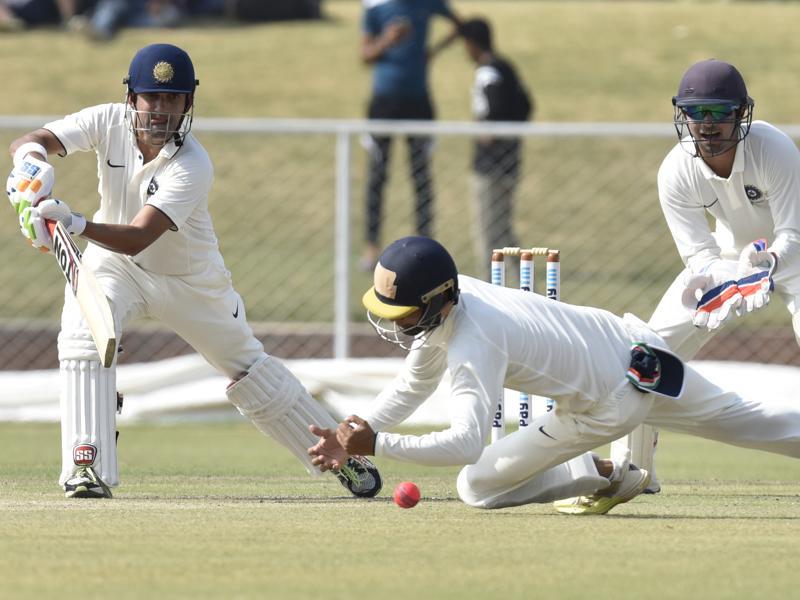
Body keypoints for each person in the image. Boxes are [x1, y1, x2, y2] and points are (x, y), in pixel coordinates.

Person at [6, 43, 381, 500]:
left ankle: (338, 453)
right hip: (115, 265)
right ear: (131, 98)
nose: (161, 111)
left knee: (249, 369)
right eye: (152, 99)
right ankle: (87, 465)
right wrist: (31, 164)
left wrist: (74, 223)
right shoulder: (106, 120)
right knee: (85, 334)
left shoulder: (193, 163)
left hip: (189, 280)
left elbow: (140, 235)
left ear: (188, 103)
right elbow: (31, 140)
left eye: (173, 100)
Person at [307, 236, 800, 513]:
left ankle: (601, 473)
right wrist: (362, 427)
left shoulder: (473, 343)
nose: (395, 322)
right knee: (747, 419)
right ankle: (604, 471)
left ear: (439, 300)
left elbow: (465, 445)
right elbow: (415, 381)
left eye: (405, 313)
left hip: (607, 406)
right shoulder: (464, 294)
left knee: (474, 487)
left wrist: (378, 446)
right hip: (638, 347)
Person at [611, 58, 800, 496]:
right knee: (645, 349)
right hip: (732, 258)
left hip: (794, 254)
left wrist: (767, 267)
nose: (707, 124)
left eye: (719, 112)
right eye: (697, 113)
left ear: (741, 114)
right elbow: (699, 253)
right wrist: (720, 280)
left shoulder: (774, 149)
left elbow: (793, 231)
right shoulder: (675, 171)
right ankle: (633, 468)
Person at [359, 0, 462, 271]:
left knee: (421, 174)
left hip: (418, 101)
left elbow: (460, 25)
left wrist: (433, 51)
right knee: (378, 174)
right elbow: (365, 54)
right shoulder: (374, 5)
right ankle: (371, 247)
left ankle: (425, 247)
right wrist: (387, 40)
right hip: (384, 100)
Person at [460, 18, 532, 276]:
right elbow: (526, 104)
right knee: (504, 230)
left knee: (487, 234)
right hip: (510, 160)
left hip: (488, 165)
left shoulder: (486, 73)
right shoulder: (507, 67)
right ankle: (526, 288)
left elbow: (492, 111)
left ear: (471, 44)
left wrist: (487, 133)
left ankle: (489, 288)